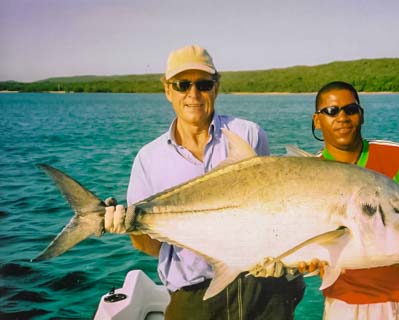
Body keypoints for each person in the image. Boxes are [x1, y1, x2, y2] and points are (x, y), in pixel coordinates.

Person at [105, 44, 305, 319]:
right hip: (193, 297)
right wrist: (132, 227)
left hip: (262, 288)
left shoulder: (248, 135)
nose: (193, 94)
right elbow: (150, 246)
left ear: (217, 87)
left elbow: (271, 213)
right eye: (182, 84)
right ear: (167, 90)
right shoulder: (148, 159)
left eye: (203, 84)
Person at [306, 81, 399, 319]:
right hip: (349, 303)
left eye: (350, 109)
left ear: (361, 115)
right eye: (331, 111)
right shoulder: (307, 174)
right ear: (317, 120)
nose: (342, 117)